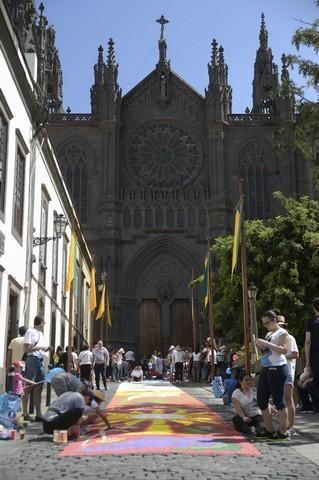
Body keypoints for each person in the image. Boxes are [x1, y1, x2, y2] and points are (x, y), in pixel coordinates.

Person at [254, 310, 289, 440]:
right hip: (266, 367)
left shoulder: (282, 333)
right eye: (264, 323)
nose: (266, 325)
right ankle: (269, 430)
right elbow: (266, 351)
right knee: (262, 399)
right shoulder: (269, 333)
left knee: (278, 400)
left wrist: (266, 343)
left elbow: (283, 350)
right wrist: (258, 345)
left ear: (274, 320)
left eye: (267, 323)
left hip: (278, 367)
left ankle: (283, 431)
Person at [22, 315, 52, 422]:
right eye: (44, 323)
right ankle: (25, 413)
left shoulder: (41, 334)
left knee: (39, 386)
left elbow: (40, 348)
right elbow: (26, 349)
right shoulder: (30, 332)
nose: (44, 325)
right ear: (40, 323)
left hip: (40, 360)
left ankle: (38, 414)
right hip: (32, 360)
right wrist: (40, 348)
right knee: (29, 386)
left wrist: (46, 349)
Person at [277, 316, 299, 433]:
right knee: (280, 399)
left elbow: (295, 354)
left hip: (288, 370)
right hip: (278, 371)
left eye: (282, 326)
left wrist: (283, 356)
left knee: (288, 398)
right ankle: (284, 425)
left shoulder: (290, 338)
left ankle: (291, 426)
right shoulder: (276, 339)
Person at [305, 297, 319, 413]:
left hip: (316, 354)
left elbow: (308, 341)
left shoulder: (310, 322)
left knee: (317, 379)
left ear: (314, 308)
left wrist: (307, 360)